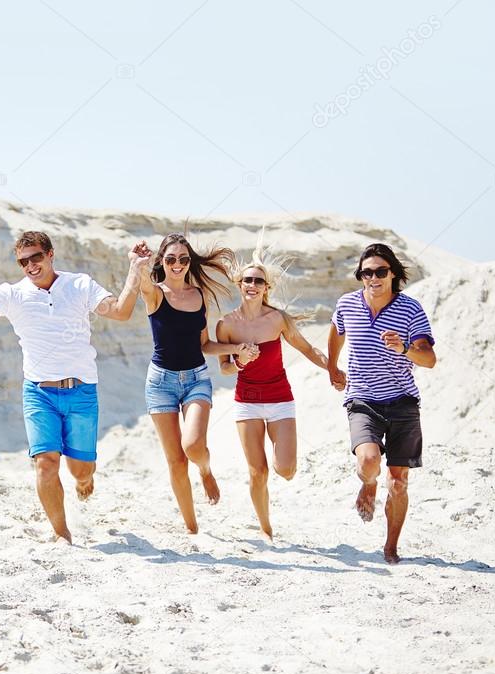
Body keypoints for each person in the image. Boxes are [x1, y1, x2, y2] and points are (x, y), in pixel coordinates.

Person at [0, 230, 151, 544]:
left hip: (81, 392)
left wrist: (135, 269)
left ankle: (84, 479)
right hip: (39, 393)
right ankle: (63, 535)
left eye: (36, 257)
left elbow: (121, 312)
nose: (31, 266)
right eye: (23, 262)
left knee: (81, 472)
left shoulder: (79, 285)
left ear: (50, 254)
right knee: (46, 465)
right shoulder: (14, 294)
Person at [215, 241, 337, 540]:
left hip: (280, 398)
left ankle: (282, 475)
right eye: (248, 280)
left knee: (285, 469)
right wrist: (240, 361)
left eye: (258, 280)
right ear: (239, 284)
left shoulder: (278, 319)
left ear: (266, 286)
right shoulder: (226, 324)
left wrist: (332, 369)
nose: (252, 285)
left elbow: (308, 349)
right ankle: (266, 527)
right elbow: (225, 368)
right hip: (247, 402)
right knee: (258, 472)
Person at [327, 243, 436, 564]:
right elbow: (336, 331)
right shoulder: (347, 303)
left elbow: (428, 359)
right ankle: (369, 485)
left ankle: (391, 547)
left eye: (380, 271)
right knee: (368, 462)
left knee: (399, 483)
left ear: (393, 274)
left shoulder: (411, 309)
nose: (373, 278)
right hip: (362, 400)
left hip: (403, 402)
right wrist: (333, 366)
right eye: (366, 272)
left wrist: (404, 348)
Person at [137, 233, 243, 534]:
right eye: (170, 259)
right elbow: (142, 281)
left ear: (189, 262)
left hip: (196, 377)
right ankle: (192, 527)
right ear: (162, 262)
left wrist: (237, 348)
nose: (178, 264)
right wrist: (138, 262)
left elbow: (206, 345)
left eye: (184, 259)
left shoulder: (199, 296)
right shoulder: (155, 294)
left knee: (194, 446)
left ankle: (206, 470)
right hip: (160, 383)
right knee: (175, 461)